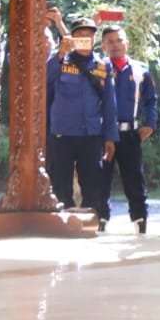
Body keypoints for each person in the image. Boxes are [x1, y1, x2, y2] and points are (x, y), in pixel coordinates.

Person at [44, 12, 117, 227]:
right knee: (60, 184)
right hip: (62, 134)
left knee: (92, 183)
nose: (85, 39)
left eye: (89, 35)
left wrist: (110, 137)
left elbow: (109, 104)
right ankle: (62, 224)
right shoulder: (60, 60)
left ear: (95, 40)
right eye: (80, 35)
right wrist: (60, 53)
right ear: (72, 38)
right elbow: (44, 78)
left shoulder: (103, 66)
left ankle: (89, 224)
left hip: (91, 134)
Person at [100, 24, 158, 234]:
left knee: (134, 179)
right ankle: (100, 221)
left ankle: (140, 222)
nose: (115, 45)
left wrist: (150, 123)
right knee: (100, 180)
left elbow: (151, 100)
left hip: (129, 133)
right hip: (103, 133)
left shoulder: (140, 69)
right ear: (103, 45)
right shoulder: (98, 67)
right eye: (110, 41)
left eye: (119, 40)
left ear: (127, 42)